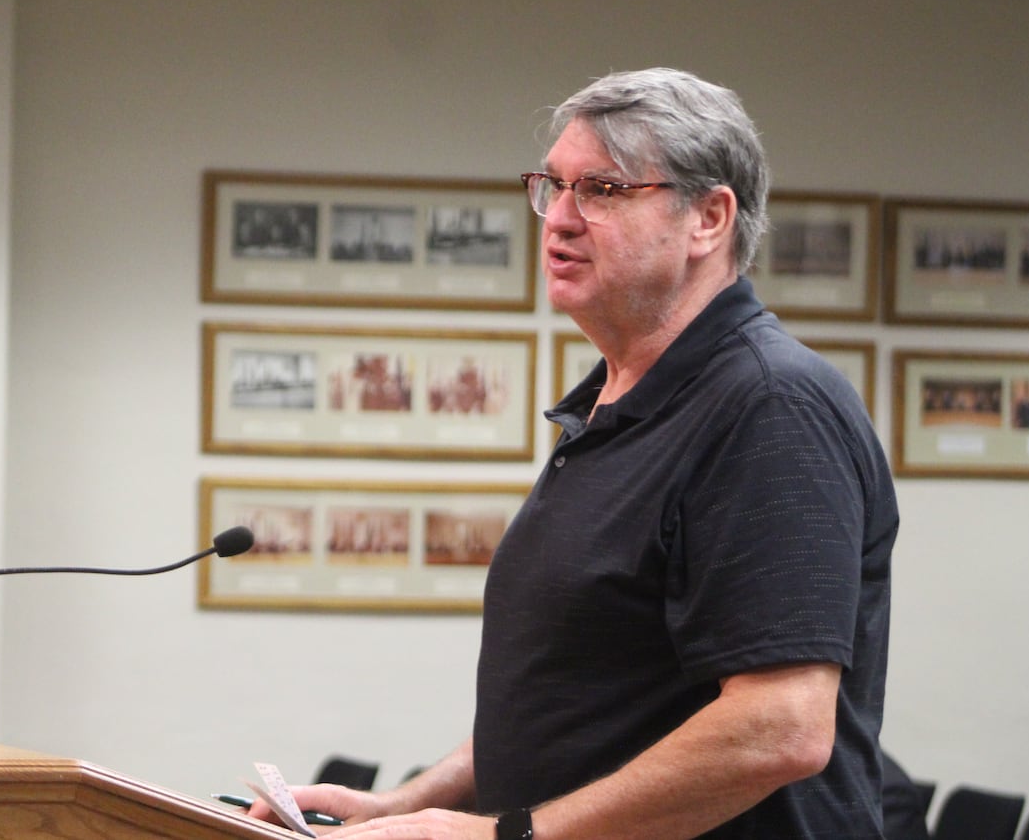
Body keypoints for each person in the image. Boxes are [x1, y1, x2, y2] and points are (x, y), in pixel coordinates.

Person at [249, 68, 898, 839]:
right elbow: (575, 708)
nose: (558, 219)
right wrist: (413, 802)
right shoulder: (612, 404)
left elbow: (781, 726)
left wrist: (508, 835)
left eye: (601, 190)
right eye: (551, 186)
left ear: (709, 218)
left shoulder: (769, 405)